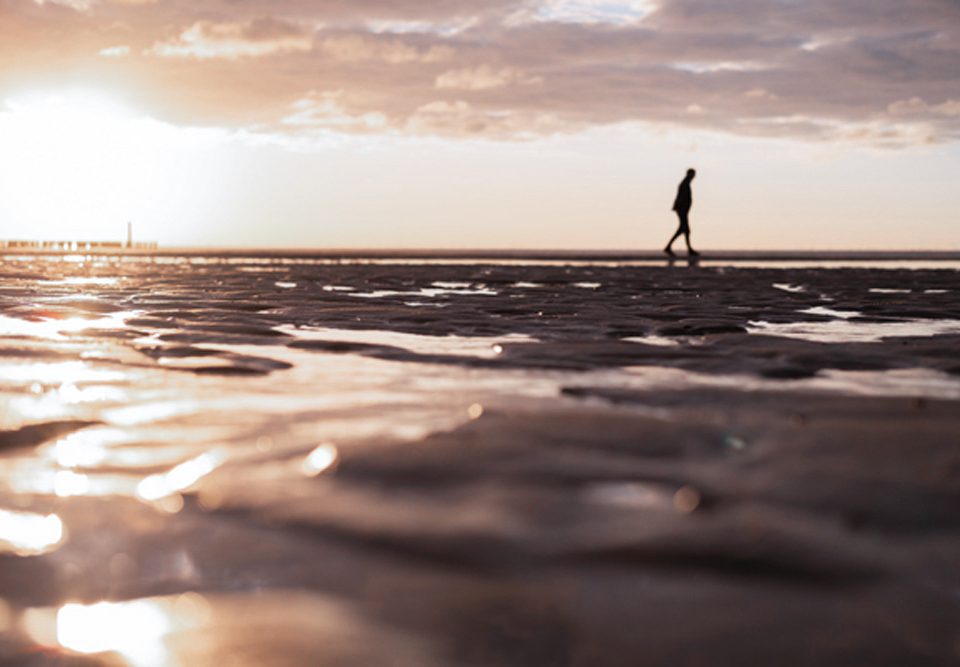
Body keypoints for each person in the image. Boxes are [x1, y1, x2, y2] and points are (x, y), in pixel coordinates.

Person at [664, 168, 699, 257]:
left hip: (682, 209)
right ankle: (688, 249)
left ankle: (687, 249)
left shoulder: (685, 183)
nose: (694, 176)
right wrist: (682, 208)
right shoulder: (685, 184)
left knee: (684, 229)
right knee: (685, 229)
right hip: (682, 209)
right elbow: (682, 197)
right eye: (693, 174)